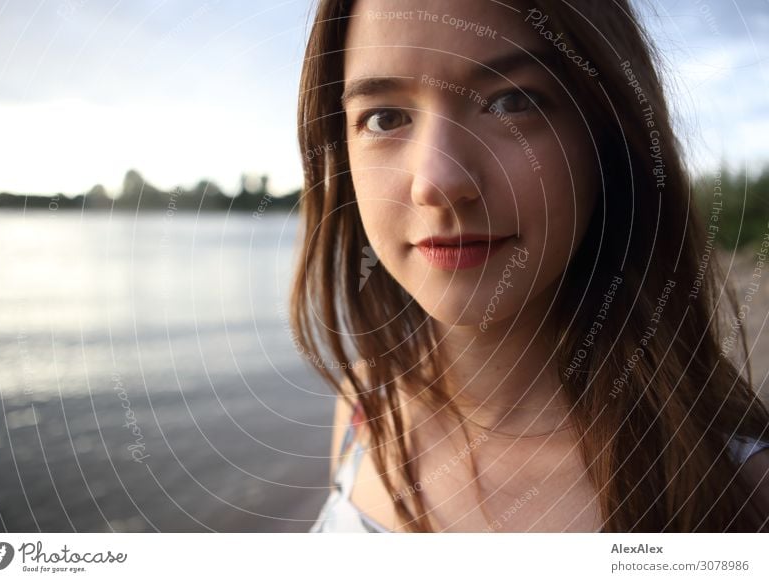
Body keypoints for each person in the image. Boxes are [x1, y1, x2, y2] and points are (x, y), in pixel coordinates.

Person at [290, 0, 769, 532]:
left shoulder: (738, 494)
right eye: (385, 117)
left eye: (512, 102)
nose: (439, 182)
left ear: (606, 136)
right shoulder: (363, 403)